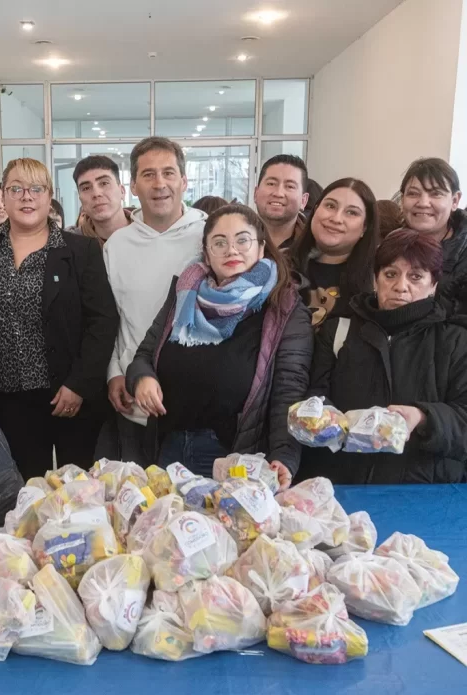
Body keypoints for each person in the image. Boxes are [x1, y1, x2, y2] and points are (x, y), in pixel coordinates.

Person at [0, 158, 119, 480]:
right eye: (16, 188)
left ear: (49, 195)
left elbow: (102, 321)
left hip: (69, 395)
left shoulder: (80, 250)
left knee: (77, 489)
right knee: (25, 490)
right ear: (3, 195)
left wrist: (78, 385)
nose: (26, 197)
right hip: (9, 398)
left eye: (36, 188)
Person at [125, 204, 313, 482]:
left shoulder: (283, 306)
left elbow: (289, 389)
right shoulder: (184, 294)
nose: (231, 250)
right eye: (219, 242)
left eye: (242, 240)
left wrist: (284, 455)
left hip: (233, 456)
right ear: (207, 252)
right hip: (169, 448)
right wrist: (141, 378)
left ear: (261, 248)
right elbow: (144, 355)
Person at [305, 229, 467, 484]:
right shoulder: (339, 331)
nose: (401, 286)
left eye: (416, 276)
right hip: (343, 486)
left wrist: (424, 418)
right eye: (390, 274)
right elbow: (315, 396)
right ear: (375, 280)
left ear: (433, 285)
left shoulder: (456, 341)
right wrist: (323, 419)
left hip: (425, 492)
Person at [103, 136, 208, 465]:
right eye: (148, 175)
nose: (160, 184)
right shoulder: (117, 245)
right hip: (133, 397)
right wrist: (114, 373)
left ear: (184, 181)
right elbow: (111, 318)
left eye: (169, 173)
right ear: (133, 185)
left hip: (198, 397)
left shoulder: (209, 237)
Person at [289, 178, 379, 328]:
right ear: (315, 209)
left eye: (351, 212)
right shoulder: (280, 266)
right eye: (330, 206)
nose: (336, 218)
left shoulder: (377, 279)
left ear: (365, 227)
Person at [399, 157, 467, 306]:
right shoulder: (391, 245)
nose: (423, 203)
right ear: (402, 199)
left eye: (436, 193)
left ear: (455, 201)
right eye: (413, 193)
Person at [70, 155, 133, 247]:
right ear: (80, 199)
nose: (96, 193)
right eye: (86, 188)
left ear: (122, 191)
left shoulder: (148, 233)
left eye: (104, 183)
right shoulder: (71, 245)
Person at [253, 154, 309, 250]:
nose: (278, 193)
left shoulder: (316, 248)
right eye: (271, 184)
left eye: (290, 186)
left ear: (303, 200)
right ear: (255, 193)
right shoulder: (234, 243)